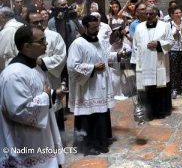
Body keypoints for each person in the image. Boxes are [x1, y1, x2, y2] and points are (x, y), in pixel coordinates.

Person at [0, 26, 65, 167]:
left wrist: (52, 94)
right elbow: (18, 111)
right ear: (27, 46)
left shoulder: (34, 67)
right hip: (27, 142)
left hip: (41, 136)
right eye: (41, 41)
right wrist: (46, 97)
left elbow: (39, 93)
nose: (46, 44)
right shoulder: (13, 74)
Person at [67, 15, 119, 155]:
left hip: (101, 85)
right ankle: (89, 144)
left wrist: (118, 56)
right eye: (93, 27)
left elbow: (105, 56)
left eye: (97, 27)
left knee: (101, 114)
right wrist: (93, 67)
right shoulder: (78, 44)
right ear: (85, 27)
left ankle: (101, 141)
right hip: (87, 88)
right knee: (89, 115)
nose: (96, 30)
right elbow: (72, 66)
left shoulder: (100, 41)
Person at [27, 11, 67, 139]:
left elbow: (61, 56)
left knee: (54, 108)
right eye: (35, 22)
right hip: (32, 80)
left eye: (41, 21)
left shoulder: (54, 36)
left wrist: (43, 62)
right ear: (28, 23)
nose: (39, 24)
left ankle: (59, 142)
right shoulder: (25, 37)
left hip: (51, 78)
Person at [131, 5, 173, 120]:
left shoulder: (165, 26)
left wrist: (158, 44)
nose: (148, 16)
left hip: (159, 62)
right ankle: (148, 111)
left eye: (151, 14)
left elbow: (170, 41)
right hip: (144, 63)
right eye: (146, 14)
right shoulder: (139, 27)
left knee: (160, 86)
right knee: (147, 87)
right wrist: (134, 61)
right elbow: (135, 45)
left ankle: (161, 111)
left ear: (157, 14)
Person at [168, 6, 182, 98]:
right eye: (176, 13)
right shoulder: (169, 24)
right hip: (174, 50)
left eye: (180, 13)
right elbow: (168, 37)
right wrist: (176, 30)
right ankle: (174, 89)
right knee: (174, 70)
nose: (178, 15)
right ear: (172, 15)